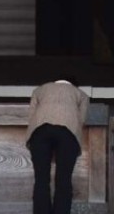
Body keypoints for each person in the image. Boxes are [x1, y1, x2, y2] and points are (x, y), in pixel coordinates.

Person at [26, 77, 90, 214]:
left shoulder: (39, 90)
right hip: (68, 132)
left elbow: (31, 116)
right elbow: (81, 119)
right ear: (73, 85)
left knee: (41, 179)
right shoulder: (80, 94)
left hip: (40, 131)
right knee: (64, 180)